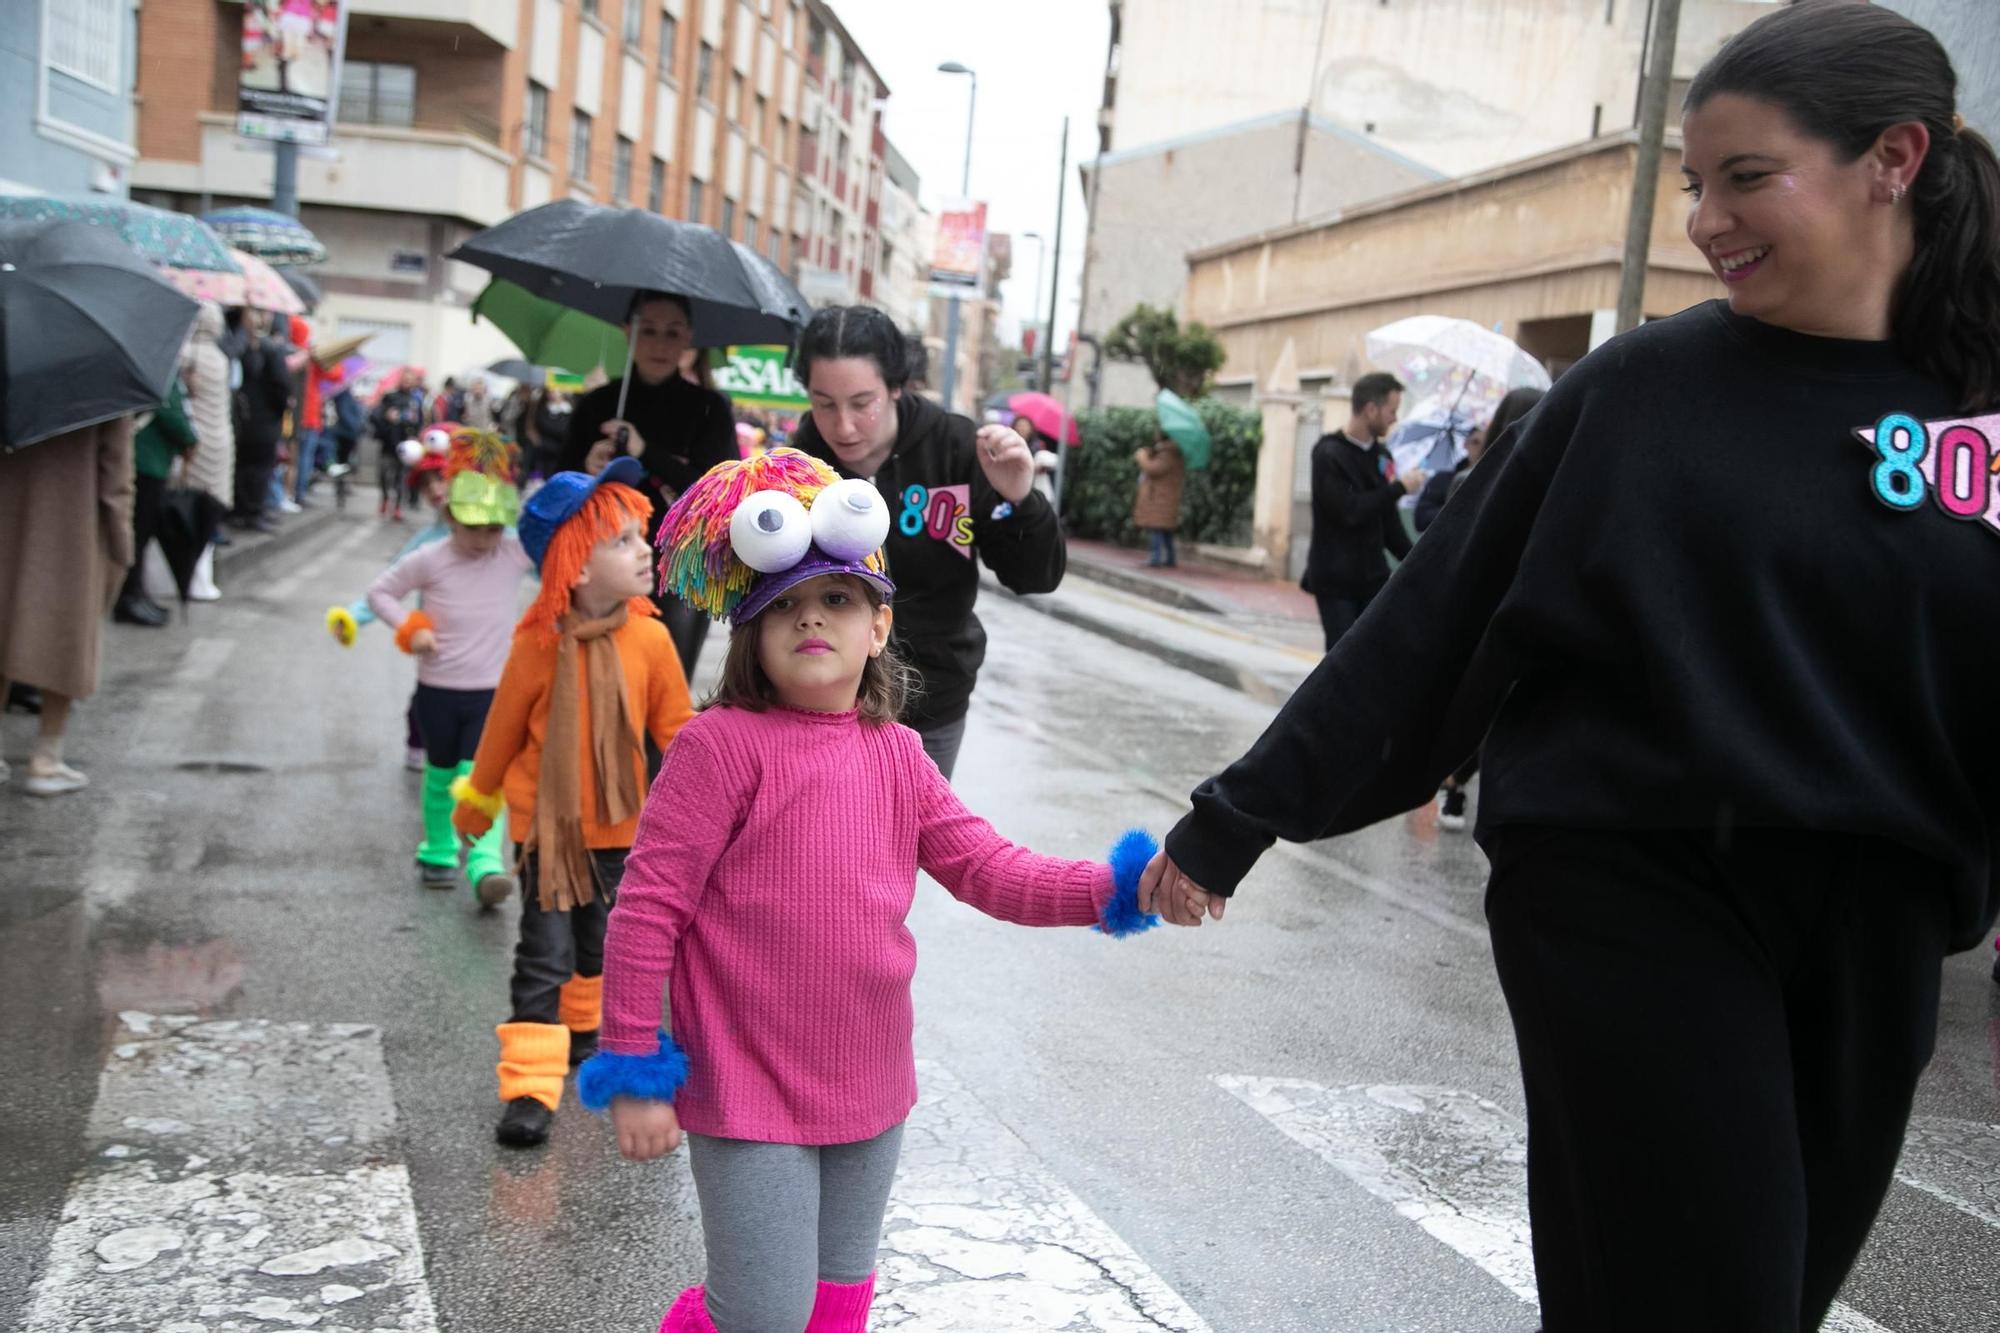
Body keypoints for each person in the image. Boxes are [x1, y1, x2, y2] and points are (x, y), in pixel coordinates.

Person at [1141, 4, 2000, 1327]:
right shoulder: (1643, 392)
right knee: (1710, 1300)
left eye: (1747, 178)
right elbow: (1439, 614)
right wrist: (1240, 814)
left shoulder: (1983, 408)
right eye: (1698, 182)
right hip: (1634, 880)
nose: (1707, 220)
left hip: (1884, 910)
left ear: (1894, 158)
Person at [574, 447, 1160, 1333]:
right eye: (788, 608)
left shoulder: (897, 755)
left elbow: (991, 869)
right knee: (765, 1317)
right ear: (755, 637)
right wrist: (633, 1064)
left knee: (837, 1309)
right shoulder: (720, 747)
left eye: (838, 601)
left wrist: (1122, 886)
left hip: (868, 1082)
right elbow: (648, 909)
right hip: (745, 1084)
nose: (813, 620)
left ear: (878, 626)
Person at [451, 457, 694, 1148]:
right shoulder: (536, 644)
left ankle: (585, 1032)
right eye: (622, 540)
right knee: (543, 955)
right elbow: (498, 736)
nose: (644, 549)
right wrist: (472, 814)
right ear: (576, 567)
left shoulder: (650, 637)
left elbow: (678, 734)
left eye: (640, 535)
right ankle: (530, 1084)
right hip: (546, 838)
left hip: (624, 832)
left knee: (603, 945)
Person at [788, 306, 1066, 779]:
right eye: (824, 403)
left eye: (862, 402)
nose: (844, 426)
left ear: (896, 386)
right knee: (828, 847)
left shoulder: (957, 447)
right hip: (821, 700)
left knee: (909, 848)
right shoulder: (800, 463)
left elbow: (1034, 576)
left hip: (932, 703)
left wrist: (1019, 497)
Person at [366, 431, 532, 900]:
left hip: (491, 690)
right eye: (475, 527)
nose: (485, 539)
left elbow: (554, 539)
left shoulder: (513, 552)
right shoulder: (429, 558)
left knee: (481, 776)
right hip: (437, 689)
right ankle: (438, 849)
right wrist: (409, 627)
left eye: (494, 527)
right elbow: (380, 594)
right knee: (440, 774)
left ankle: (484, 861)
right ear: (450, 517)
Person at [561, 293, 737, 674]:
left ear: (688, 337)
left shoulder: (710, 409)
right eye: (649, 331)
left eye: (672, 333)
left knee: (665, 685)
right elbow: (558, 488)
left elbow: (720, 493)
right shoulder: (598, 404)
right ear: (628, 332)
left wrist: (645, 450)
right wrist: (586, 471)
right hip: (604, 560)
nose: (660, 344)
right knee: (598, 681)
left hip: (679, 568)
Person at [1421, 387, 1544, 832]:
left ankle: (1455, 780)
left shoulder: (1478, 479)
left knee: (1479, 708)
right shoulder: (1473, 479)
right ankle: (1458, 785)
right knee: (1494, 713)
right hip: (1507, 618)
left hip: (1482, 616)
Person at [0, 418, 136, 795]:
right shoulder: (101, 380)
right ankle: (46, 757)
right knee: (66, 638)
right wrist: (121, 546)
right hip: (71, 530)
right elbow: (116, 477)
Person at [326, 453, 452, 772]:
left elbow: (540, 566)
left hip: (485, 648)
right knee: (429, 701)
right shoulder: (427, 542)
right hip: (436, 645)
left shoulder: (501, 534)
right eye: (426, 484)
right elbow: (388, 584)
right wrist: (353, 616)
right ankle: (419, 746)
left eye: (441, 477)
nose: (434, 489)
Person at [1302, 371, 1423, 650]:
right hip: (1336, 581)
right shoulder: (1328, 454)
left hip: (1372, 578)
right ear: (1370, 409)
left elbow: (1389, 522)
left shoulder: (1383, 457)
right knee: (1341, 659)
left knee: (1371, 658)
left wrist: (1417, 558)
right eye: (1391, 410)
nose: (1395, 418)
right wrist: (1399, 488)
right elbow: (1349, 511)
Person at [116, 377, 200, 628]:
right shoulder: (162, 371)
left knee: (140, 536)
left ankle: (136, 593)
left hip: (147, 459)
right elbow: (171, 412)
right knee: (138, 537)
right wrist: (190, 439)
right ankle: (130, 597)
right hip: (148, 462)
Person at [178, 302, 236, 602]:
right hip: (221, 443)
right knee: (208, 512)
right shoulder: (221, 359)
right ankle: (201, 579)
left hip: (195, 442)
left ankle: (183, 577)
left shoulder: (186, 354)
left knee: (184, 511)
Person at [224, 306, 292, 534]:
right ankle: (253, 512)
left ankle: (239, 511)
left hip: (243, 419)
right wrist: (283, 406)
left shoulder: (238, 347)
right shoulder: (272, 351)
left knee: (242, 467)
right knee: (260, 469)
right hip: (265, 421)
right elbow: (282, 386)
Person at [1132, 435, 1186, 567]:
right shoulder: (1167, 452)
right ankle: (1170, 558)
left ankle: (1155, 558)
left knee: (1156, 527)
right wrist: (1151, 452)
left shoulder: (1168, 454)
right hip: (1162, 497)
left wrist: (1142, 457)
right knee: (1165, 529)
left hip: (1161, 498)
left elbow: (1154, 469)